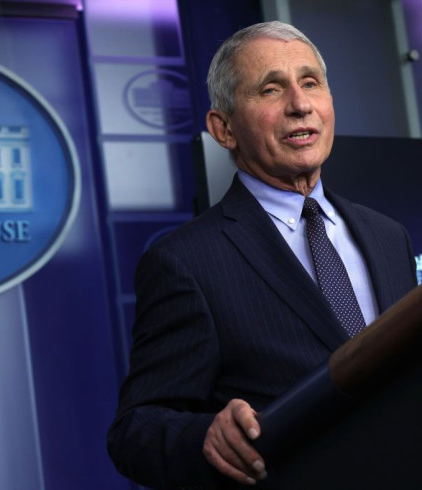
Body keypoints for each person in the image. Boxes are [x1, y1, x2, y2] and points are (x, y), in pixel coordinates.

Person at [107, 21, 418, 489]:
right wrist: (205, 436)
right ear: (224, 128)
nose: (300, 104)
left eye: (311, 83)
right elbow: (136, 430)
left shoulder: (388, 235)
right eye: (271, 89)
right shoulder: (184, 261)